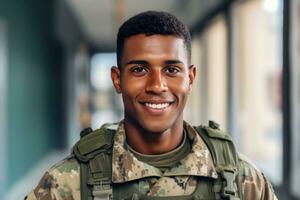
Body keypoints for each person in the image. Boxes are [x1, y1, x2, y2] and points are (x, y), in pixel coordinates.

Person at [25, 11, 277, 200]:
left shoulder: (240, 178)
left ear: (190, 79)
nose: (157, 85)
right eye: (139, 69)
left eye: (171, 69)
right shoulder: (69, 181)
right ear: (117, 79)